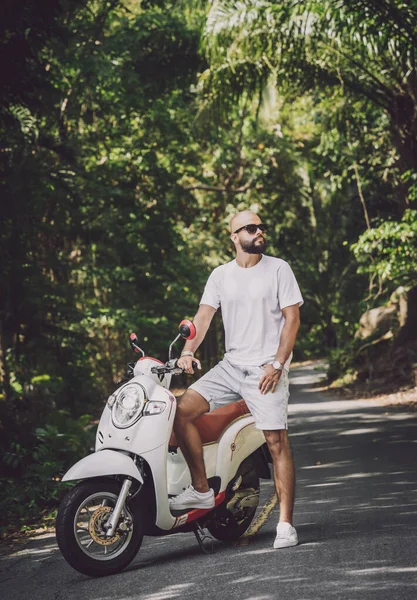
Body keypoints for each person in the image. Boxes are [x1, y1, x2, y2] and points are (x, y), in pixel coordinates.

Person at [170, 210, 303, 549]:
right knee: (181, 410)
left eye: (262, 226)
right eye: (251, 227)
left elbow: (291, 320)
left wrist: (277, 364)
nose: (259, 231)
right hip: (231, 366)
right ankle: (201, 489)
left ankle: (286, 524)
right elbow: (203, 316)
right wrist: (187, 351)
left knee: (276, 442)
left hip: (265, 368)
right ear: (234, 237)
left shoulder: (278, 269)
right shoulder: (220, 275)